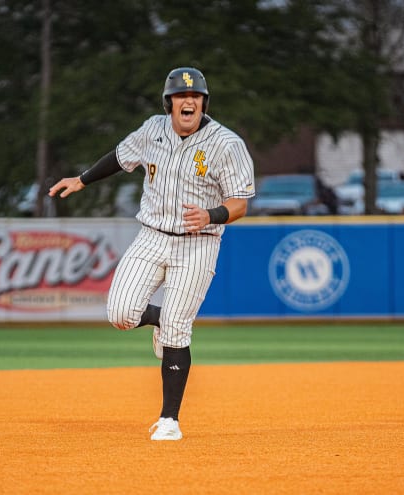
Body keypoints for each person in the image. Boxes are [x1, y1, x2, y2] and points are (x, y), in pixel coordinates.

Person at [48, 67, 255, 441]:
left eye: (195, 96)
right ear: (169, 103)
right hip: (152, 235)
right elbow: (120, 156)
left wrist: (212, 214)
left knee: (179, 328)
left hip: (199, 241)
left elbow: (240, 204)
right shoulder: (152, 129)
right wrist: (81, 179)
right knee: (121, 313)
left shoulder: (227, 144)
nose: (188, 101)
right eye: (181, 96)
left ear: (204, 103)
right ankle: (162, 319)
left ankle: (169, 420)